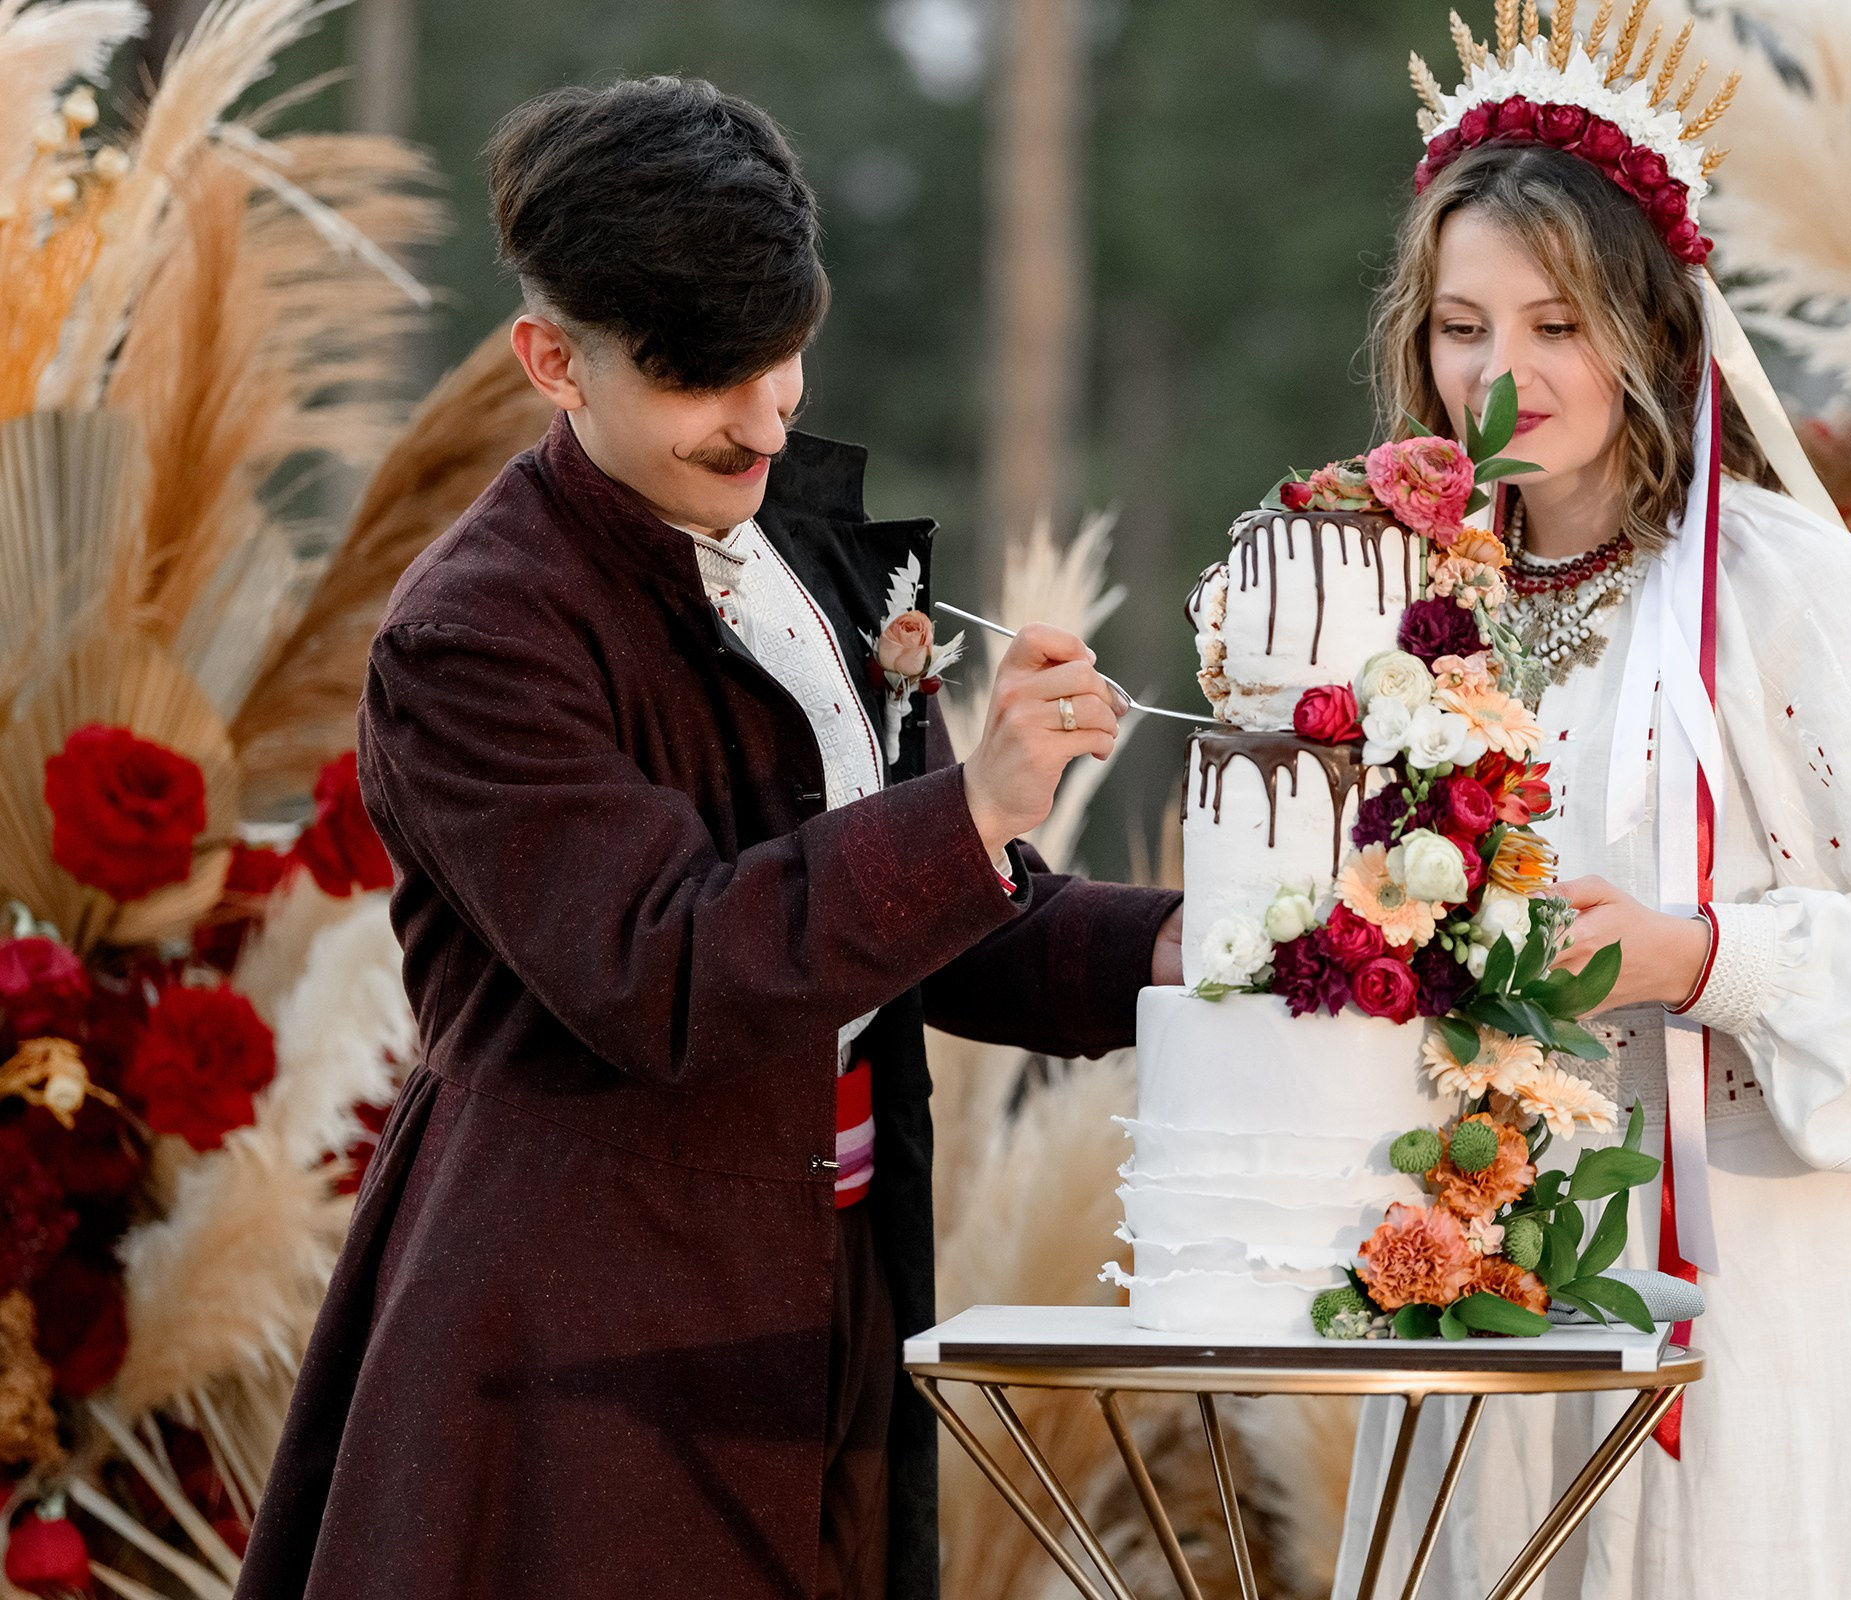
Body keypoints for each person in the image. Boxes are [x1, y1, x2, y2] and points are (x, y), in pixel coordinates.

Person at [232, 77, 1182, 1600]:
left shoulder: (806, 542)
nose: (761, 419)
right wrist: (977, 805)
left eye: (779, 355)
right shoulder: (475, 632)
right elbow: (665, 966)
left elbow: (936, 920)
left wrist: (1190, 948)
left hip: (833, 1295)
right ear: (553, 359)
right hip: (581, 1335)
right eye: (699, 377)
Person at [1334, 123, 1851, 1600]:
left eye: (1554, 323)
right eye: (1462, 327)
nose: (1496, 375)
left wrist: (1702, 958)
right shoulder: (1402, 610)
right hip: (1476, 1302)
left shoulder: (1786, 589)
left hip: (1759, 1313)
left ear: (1651, 326)